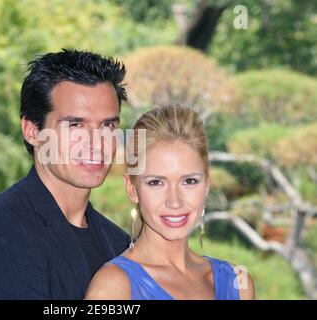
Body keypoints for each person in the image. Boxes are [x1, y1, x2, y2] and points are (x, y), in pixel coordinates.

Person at [0, 49, 130, 299]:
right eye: (75, 125)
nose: (96, 143)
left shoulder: (119, 243)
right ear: (32, 131)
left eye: (108, 125)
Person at [85, 105, 255, 300]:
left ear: (207, 183)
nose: (175, 202)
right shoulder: (114, 288)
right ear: (132, 188)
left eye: (189, 181)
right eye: (156, 182)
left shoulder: (238, 284)